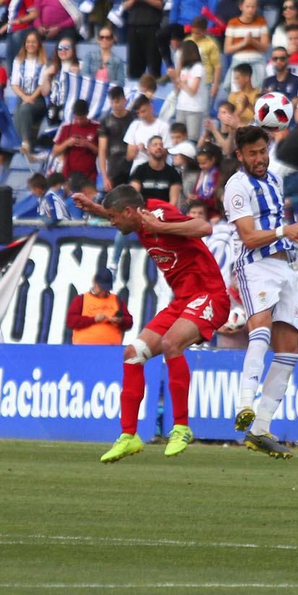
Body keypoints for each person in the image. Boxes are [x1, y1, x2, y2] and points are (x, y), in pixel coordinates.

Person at [74, 184, 227, 463]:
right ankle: (129, 435)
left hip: (210, 294)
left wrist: (163, 227)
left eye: (112, 216)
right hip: (183, 300)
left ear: (130, 211)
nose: (111, 222)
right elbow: (127, 218)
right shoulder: (137, 219)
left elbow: (204, 228)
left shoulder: (158, 214)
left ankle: (181, 427)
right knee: (133, 353)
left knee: (171, 343)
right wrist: (96, 208)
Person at [224, 125, 298, 457]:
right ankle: (244, 403)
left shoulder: (274, 181)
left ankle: (260, 428)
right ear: (240, 156)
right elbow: (249, 237)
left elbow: (280, 229)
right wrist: (283, 230)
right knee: (259, 328)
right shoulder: (236, 187)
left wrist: (293, 234)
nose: (260, 158)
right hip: (254, 266)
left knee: (290, 347)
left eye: (263, 151)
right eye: (253, 153)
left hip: (283, 268)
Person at [67, 268, 132, 345]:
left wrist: (120, 321)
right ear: (94, 283)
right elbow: (71, 321)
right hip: (84, 348)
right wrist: (94, 319)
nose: (104, 292)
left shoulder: (117, 300)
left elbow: (129, 322)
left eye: (107, 289)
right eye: (102, 288)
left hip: (111, 349)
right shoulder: (81, 299)